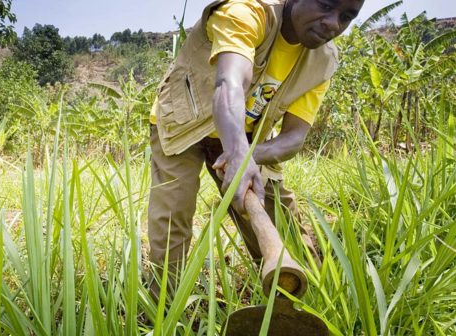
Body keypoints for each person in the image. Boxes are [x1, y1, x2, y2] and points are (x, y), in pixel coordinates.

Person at [147, 0, 364, 299]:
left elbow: (294, 137)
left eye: (347, 17)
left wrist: (247, 156)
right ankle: (164, 308)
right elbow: (230, 83)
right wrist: (237, 153)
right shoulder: (246, 12)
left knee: (280, 221)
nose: (333, 23)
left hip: (248, 136)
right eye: (326, 5)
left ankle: (304, 300)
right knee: (173, 215)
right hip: (183, 121)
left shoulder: (323, 61)